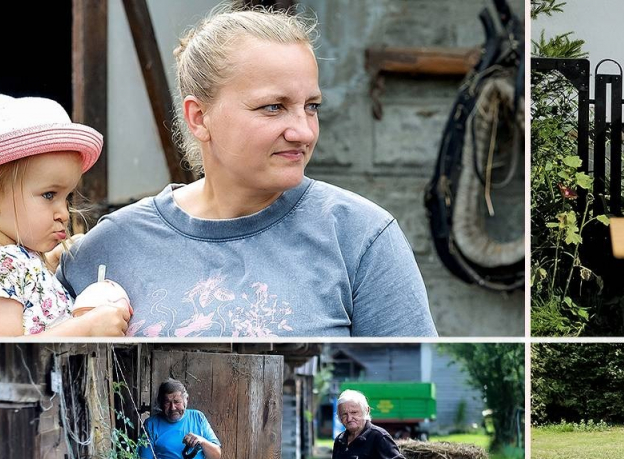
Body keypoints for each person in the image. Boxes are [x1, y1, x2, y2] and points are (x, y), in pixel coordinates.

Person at [57, 6, 436, 337]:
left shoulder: (361, 237)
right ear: (199, 117)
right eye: (273, 107)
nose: (303, 131)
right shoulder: (108, 248)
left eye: (311, 106)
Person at [0, 95, 132, 337]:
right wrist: (86, 329)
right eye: (48, 195)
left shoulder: (16, 262)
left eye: (67, 197)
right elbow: (4, 353)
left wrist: (50, 262)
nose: (64, 213)